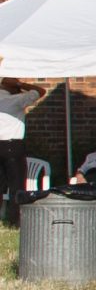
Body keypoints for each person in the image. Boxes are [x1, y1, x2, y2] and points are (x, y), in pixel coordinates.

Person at [0, 54, 47, 221]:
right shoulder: (16, 99)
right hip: (12, 146)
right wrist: (19, 84)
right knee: (16, 184)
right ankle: (14, 220)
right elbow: (41, 91)